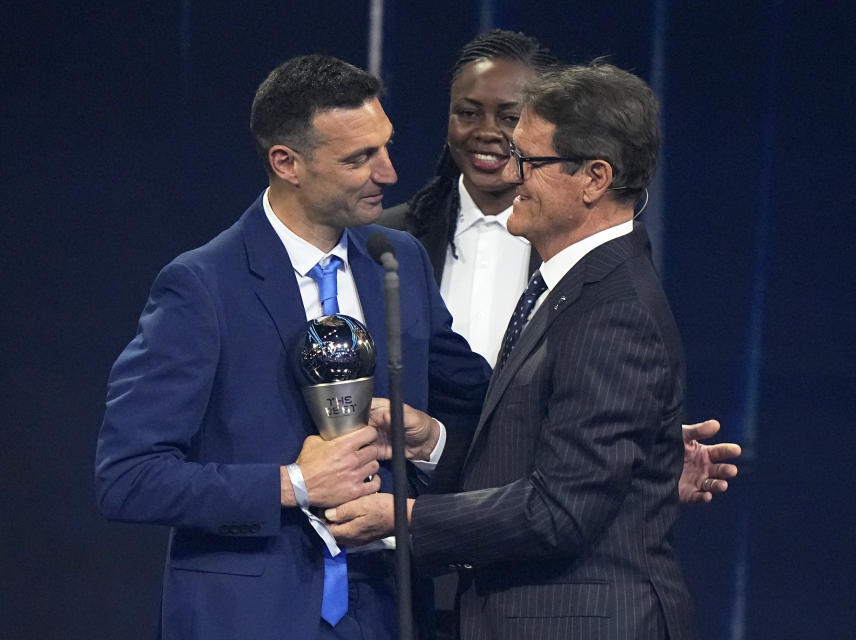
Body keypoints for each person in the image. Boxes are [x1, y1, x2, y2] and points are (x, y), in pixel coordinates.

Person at [94, 55, 490, 640]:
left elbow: (482, 401)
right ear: (287, 163)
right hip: (250, 616)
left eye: (385, 146)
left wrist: (430, 443)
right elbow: (128, 477)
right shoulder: (203, 286)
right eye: (358, 158)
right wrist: (292, 484)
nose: (388, 173)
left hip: (388, 610)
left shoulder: (397, 262)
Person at [329, 61, 698, 639]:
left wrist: (407, 519)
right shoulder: (571, 289)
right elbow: (531, 462)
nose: (509, 172)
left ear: (594, 178)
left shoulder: (613, 312)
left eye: (528, 158)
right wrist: (435, 444)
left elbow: (561, 511)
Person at [380, 30, 739, 504]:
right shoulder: (387, 244)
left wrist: (631, 459)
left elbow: (583, 423)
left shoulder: (591, 258)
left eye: (510, 118)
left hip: (517, 519)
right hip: (419, 503)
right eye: (468, 113)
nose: (490, 134)